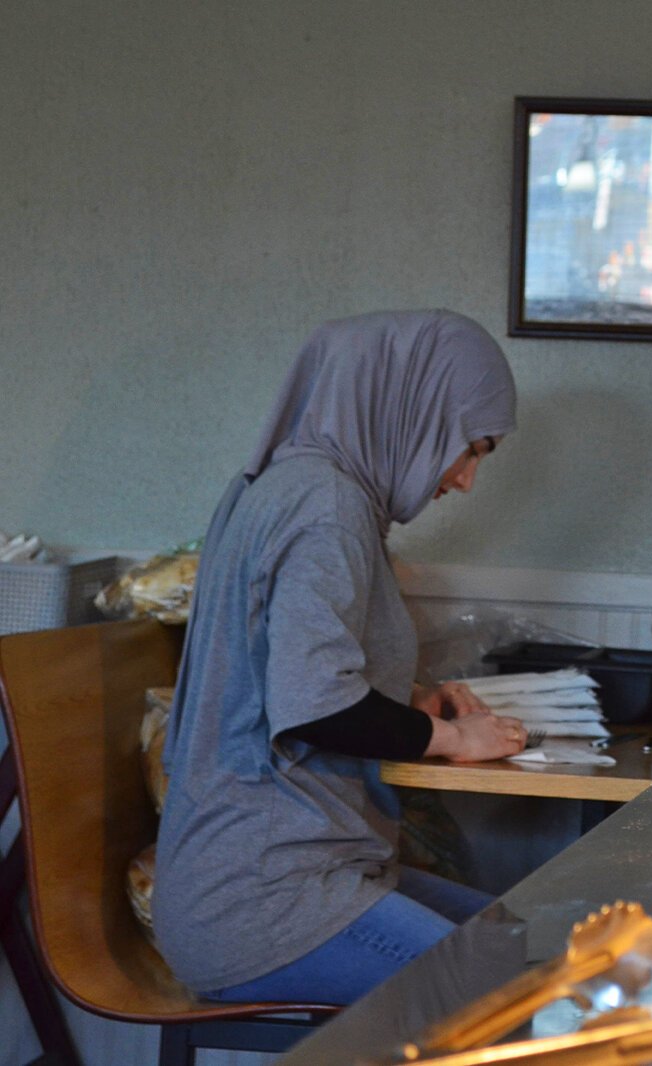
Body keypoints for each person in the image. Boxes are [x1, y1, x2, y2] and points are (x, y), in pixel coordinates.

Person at [152, 309, 530, 1006]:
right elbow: (317, 708)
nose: (465, 480)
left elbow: (279, 681)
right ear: (415, 409)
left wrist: (408, 702)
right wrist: (453, 738)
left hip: (282, 872)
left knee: (514, 944)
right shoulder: (327, 506)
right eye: (471, 449)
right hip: (262, 898)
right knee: (509, 992)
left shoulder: (287, 486)